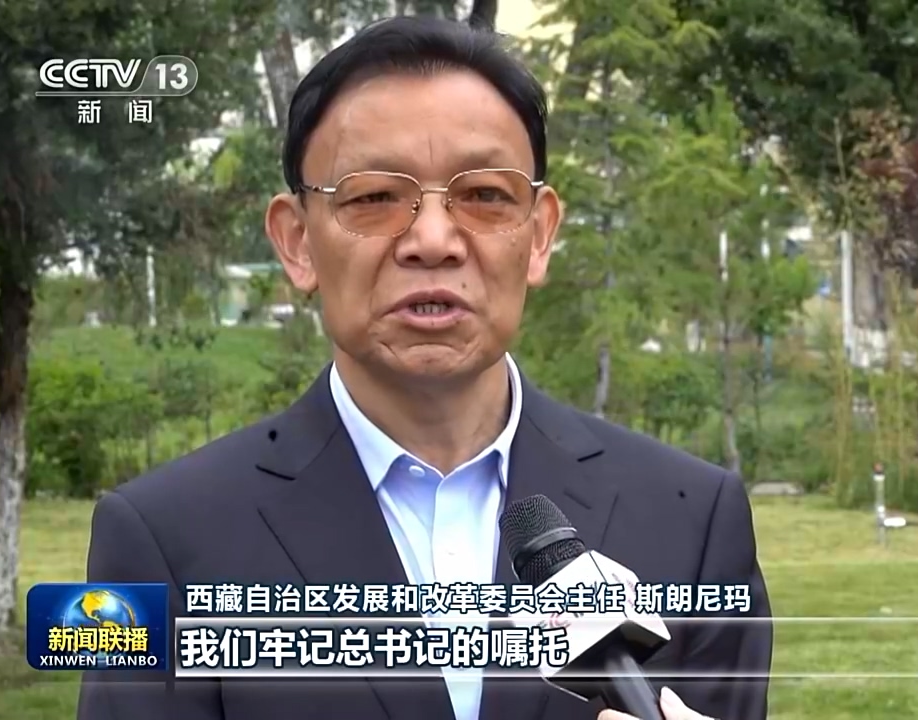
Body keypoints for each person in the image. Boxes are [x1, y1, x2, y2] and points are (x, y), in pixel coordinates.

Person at [77, 15, 772, 720]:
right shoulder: (163, 538)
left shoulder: (692, 519)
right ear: (297, 242)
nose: (433, 240)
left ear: (539, 236)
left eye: (485, 196)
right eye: (374, 197)